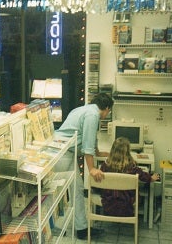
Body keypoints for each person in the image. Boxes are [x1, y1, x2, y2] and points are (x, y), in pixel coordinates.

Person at [53, 92, 114, 240]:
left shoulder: (84, 109)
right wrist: (92, 168)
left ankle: (82, 229)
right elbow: (87, 145)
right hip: (62, 153)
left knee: (77, 189)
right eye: (109, 110)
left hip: (62, 149)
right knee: (60, 192)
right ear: (106, 108)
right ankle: (77, 228)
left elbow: (91, 137)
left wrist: (98, 151)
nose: (109, 113)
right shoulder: (93, 115)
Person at [99, 137, 160, 217]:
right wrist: (152, 178)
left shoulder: (105, 165)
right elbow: (143, 176)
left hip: (109, 201)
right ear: (128, 152)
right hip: (126, 202)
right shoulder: (131, 167)